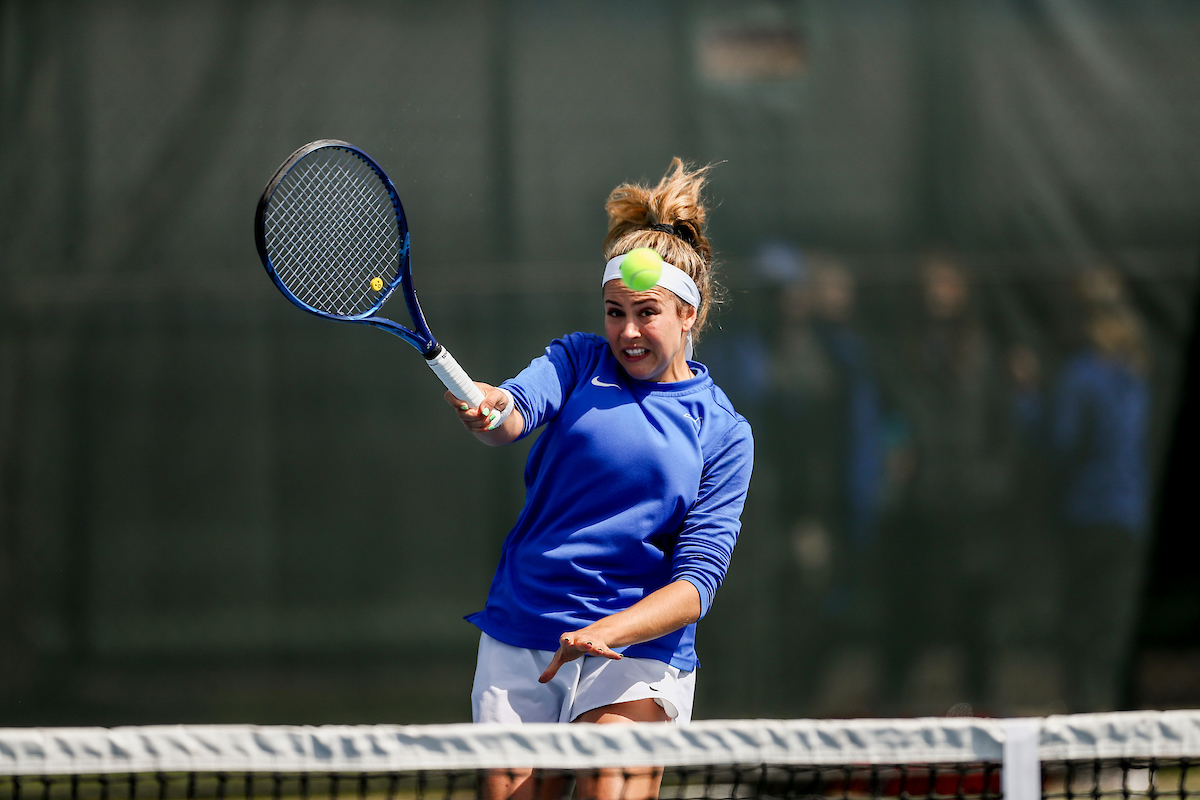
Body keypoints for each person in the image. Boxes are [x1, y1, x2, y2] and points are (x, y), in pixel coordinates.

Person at [444, 158, 754, 800]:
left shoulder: (724, 432)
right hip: (526, 624)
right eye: (615, 312)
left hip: (636, 650)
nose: (628, 332)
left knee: (606, 783)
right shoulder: (579, 360)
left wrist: (605, 632)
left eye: (647, 312)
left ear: (688, 314)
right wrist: (490, 408)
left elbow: (695, 587)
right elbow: (512, 414)